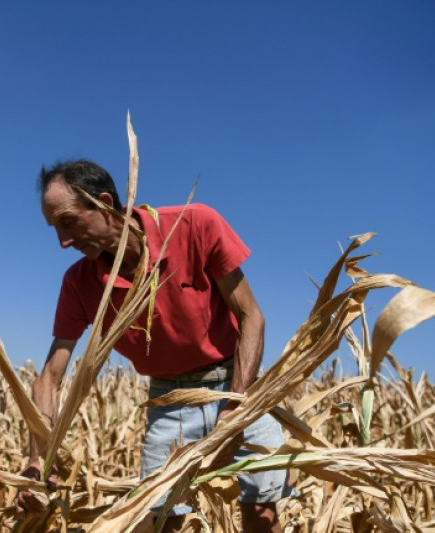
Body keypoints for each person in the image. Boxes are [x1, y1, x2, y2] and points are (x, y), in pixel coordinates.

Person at [17, 160, 292, 532]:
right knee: (163, 519)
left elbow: (251, 317)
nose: (63, 242)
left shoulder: (195, 225)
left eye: (67, 222)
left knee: (261, 513)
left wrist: (236, 411)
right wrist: (39, 460)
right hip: (170, 400)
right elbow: (50, 377)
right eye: (55, 229)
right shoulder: (79, 283)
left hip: (237, 384)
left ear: (103, 203)